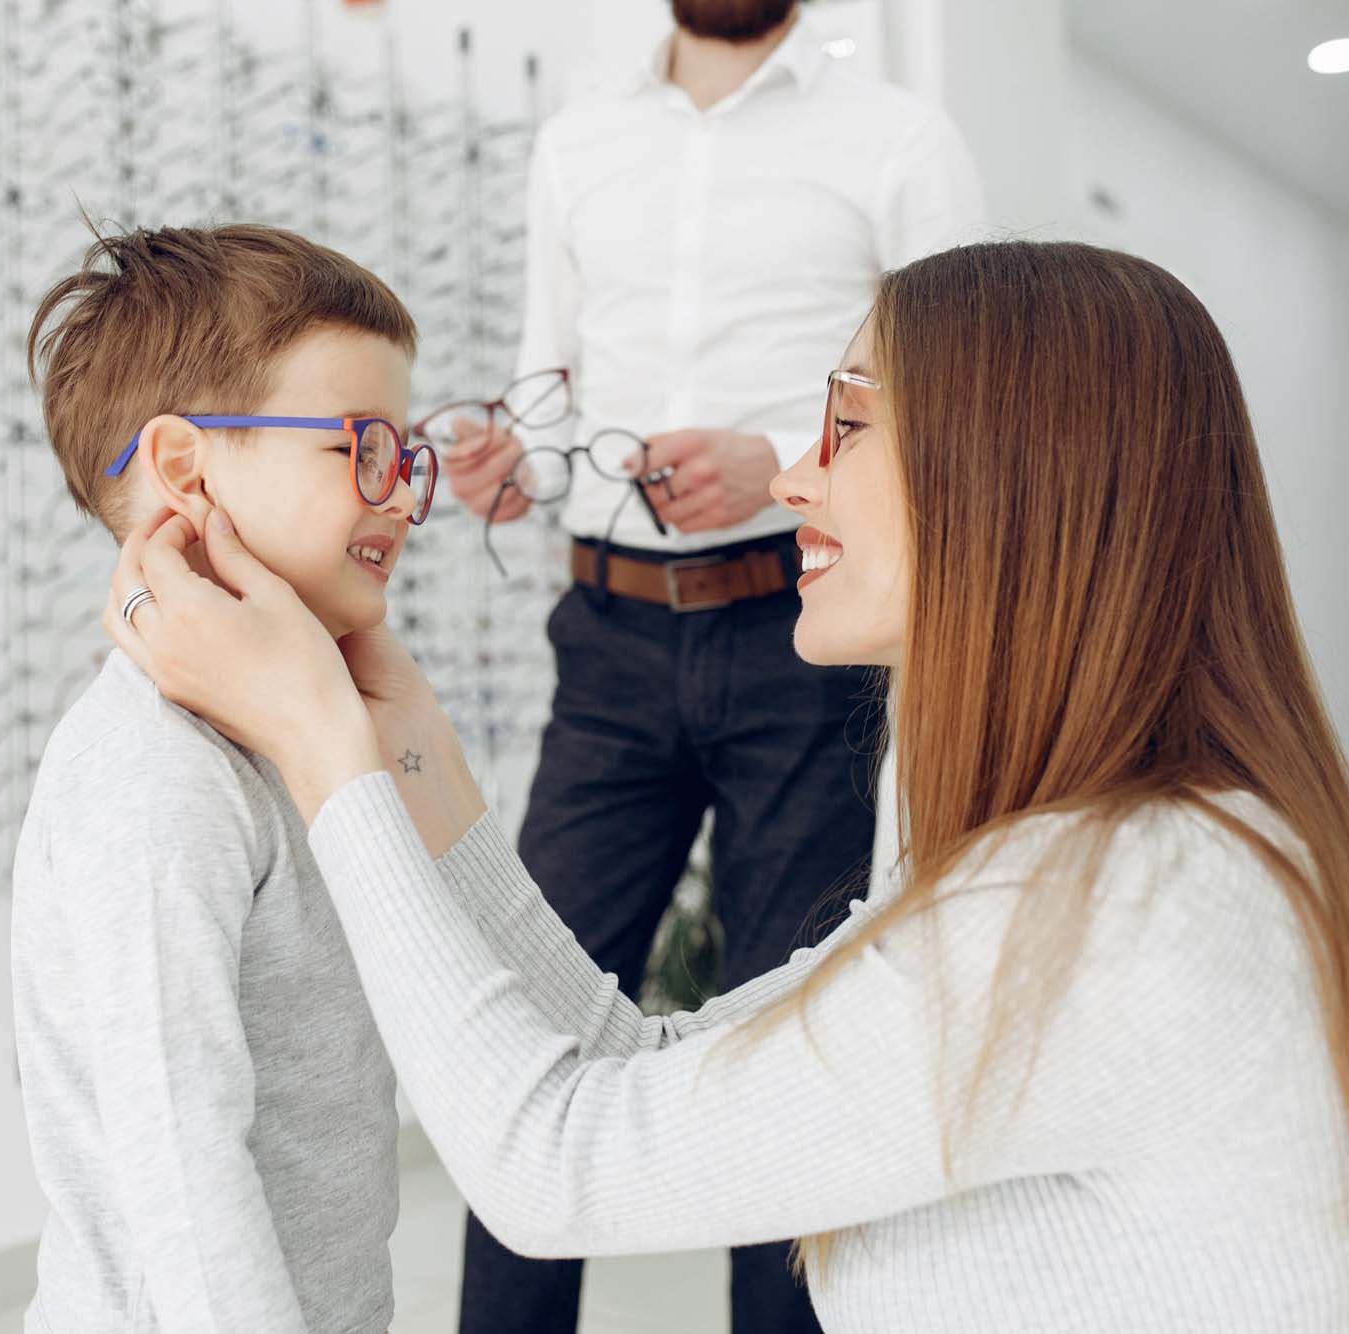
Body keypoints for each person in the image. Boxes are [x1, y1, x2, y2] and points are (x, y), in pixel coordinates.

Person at [107, 240, 1349, 1333]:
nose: (799, 477)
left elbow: (555, 1159)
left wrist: (326, 751)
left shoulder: (1110, 917)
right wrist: (414, 758)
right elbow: (643, 1063)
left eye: (847, 426)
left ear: (1013, 481)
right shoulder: (1116, 852)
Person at [433, 3, 982, 1325]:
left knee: (789, 1048)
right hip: (608, 634)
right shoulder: (578, 141)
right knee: (528, 1025)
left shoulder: (899, 140)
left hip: (803, 636)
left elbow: (973, 392)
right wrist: (505, 453)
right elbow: (545, 381)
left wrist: (786, 455)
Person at [9, 222, 434, 1333]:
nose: (400, 497)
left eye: (409, 456)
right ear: (186, 469)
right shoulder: (152, 770)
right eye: (365, 447)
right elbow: (178, 1155)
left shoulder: (300, 730)